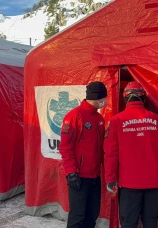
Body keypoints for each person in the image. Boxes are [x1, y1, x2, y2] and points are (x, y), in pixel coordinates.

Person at [104, 81, 158, 228]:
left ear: (125, 98)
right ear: (143, 98)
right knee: (150, 221)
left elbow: (110, 153)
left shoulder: (116, 121)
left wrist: (110, 178)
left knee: (129, 222)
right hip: (154, 181)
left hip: (129, 182)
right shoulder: (157, 119)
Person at [59, 81, 108, 228]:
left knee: (92, 214)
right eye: (104, 98)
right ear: (98, 97)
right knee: (77, 217)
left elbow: (101, 148)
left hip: (95, 176)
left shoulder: (99, 119)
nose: (105, 101)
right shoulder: (74, 116)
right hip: (79, 177)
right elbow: (65, 147)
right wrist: (71, 172)